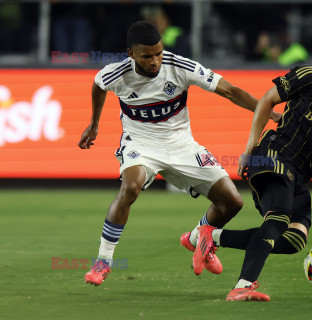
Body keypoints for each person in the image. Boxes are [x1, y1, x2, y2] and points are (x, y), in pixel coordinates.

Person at [79, 21, 280, 286]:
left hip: (182, 145)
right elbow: (98, 85)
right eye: (147, 56)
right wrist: (94, 123)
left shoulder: (180, 67)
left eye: (159, 53)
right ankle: (103, 261)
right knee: (130, 188)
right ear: (131, 55)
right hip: (141, 143)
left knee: (232, 202)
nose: (155, 61)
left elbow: (230, 91)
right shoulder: (116, 74)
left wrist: (270, 113)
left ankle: (198, 239)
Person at [192, 38, 312, 301]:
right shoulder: (311, 77)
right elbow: (267, 101)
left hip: (300, 175)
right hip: (273, 153)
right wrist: (251, 147)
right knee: (278, 220)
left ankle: (209, 236)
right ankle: (243, 286)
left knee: (294, 240)